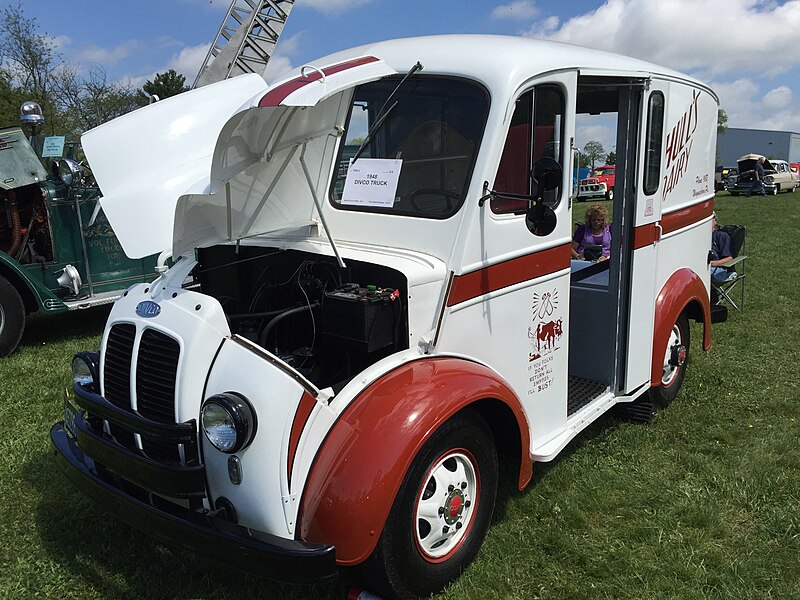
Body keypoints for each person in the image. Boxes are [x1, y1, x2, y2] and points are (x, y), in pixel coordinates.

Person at [710, 212, 737, 283]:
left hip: (717, 270)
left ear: (715, 221)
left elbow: (729, 259)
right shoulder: (699, 238)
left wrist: (712, 264)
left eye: (710, 219)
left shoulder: (722, 236)